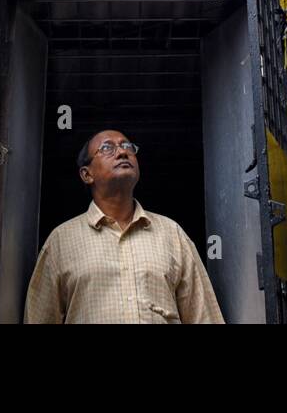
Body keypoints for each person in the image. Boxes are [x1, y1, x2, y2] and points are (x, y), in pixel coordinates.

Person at [23, 128, 225, 323]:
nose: (121, 152)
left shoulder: (171, 233)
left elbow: (203, 317)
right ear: (87, 174)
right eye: (107, 148)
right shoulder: (61, 240)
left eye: (127, 146)